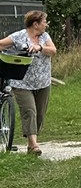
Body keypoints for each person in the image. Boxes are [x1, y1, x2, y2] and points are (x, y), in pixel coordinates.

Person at [0, 10, 56, 156]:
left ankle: (32, 142)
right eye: (44, 22)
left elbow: (53, 50)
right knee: (29, 111)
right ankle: (33, 145)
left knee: (40, 114)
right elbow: (1, 45)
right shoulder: (19, 36)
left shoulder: (44, 36)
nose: (46, 24)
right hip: (22, 82)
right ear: (35, 24)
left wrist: (40, 48)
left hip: (43, 81)